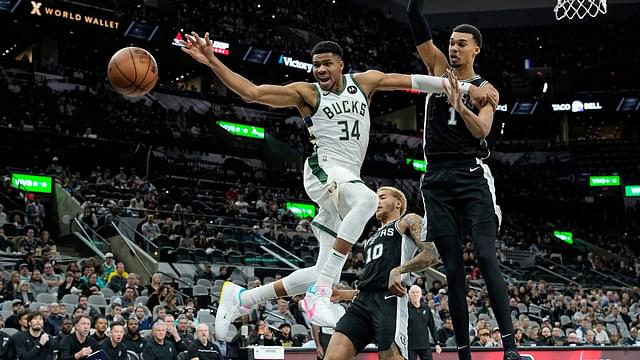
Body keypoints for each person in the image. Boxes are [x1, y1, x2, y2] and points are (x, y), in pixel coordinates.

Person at [181, 32, 492, 338]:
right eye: (316, 64)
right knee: (368, 201)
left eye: (327, 63)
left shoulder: (365, 82)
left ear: (341, 65)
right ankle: (322, 292)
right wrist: (211, 61)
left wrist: (465, 88)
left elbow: (413, 80)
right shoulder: (308, 93)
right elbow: (253, 92)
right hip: (324, 170)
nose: (321, 70)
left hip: (346, 183)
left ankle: (241, 299)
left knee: (322, 267)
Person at [406, 1, 521, 359]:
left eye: (460, 43)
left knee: (486, 257)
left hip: (470, 174)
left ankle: (510, 347)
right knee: (453, 270)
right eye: (451, 42)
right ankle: (465, 355)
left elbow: (482, 132)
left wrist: (459, 104)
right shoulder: (438, 67)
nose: (453, 48)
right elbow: (413, 17)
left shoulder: (487, 89)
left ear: (475, 49)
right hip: (436, 177)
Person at [323, 187, 439, 360]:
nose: (377, 202)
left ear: (398, 203)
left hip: (390, 299)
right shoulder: (370, 238)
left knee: (390, 357)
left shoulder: (407, 220)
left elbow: (431, 254)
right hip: (362, 302)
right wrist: (342, 294)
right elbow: (373, 281)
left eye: (382, 197)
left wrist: (399, 270)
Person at [407, 285, 441, 360]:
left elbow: (432, 327)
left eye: (417, 292)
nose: (415, 294)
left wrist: (437, 343)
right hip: (410, 346)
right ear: (409, 294)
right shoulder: (405, 309)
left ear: (421, 294)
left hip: (425, 345)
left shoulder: (426, 308)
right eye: (413, 292)